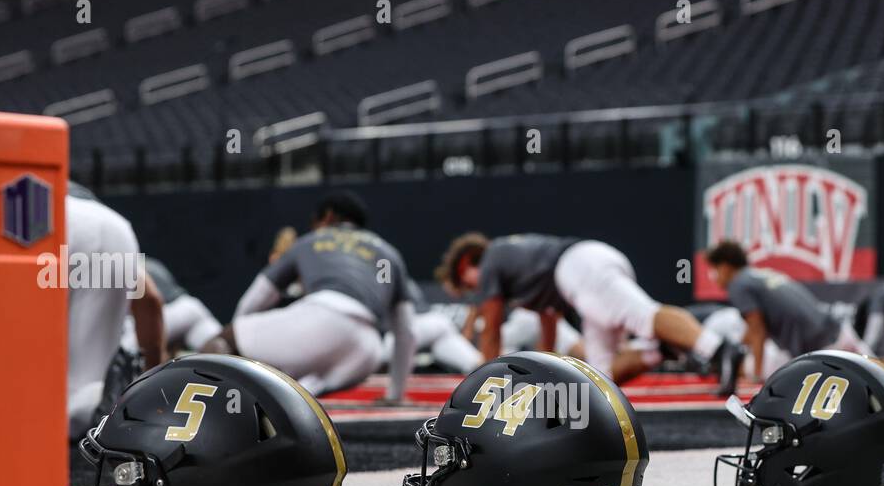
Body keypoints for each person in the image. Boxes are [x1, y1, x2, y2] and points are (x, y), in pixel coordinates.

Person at [436, 233, 739, 388]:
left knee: (644, 314)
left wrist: (485, 386)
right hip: (580, 269)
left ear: (465, 265)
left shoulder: (492, 260)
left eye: (467, 286)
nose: (473, 293)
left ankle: (718, 348)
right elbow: (549, 321)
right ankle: (659, 349)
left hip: (579, 267)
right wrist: (546, 374)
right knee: (601, 378)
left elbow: (490, 331)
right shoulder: (517, 261)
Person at [203, 191, 414, 400]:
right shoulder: (389, 254)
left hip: (321, 322)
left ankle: (188, 403)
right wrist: (395, 395)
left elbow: (255, 299)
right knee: (300, 388)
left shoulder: (311, 240)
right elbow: (406, 332)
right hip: (368, 350)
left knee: (225, 340)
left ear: (328, 216)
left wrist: (238, 343)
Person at [66, 185, 166, 439]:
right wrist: (155, 389)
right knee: (85, 390)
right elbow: (150, 299)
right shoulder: (97, 212)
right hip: (114, 227)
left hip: (44, 213)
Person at [704, 241, 869, 385]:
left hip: (822, 351)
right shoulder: (760, 274)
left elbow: (758, 330)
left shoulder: (738, 285)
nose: (713, 277)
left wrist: (756, 375)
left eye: (714, 269)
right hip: (840, 333)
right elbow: (756, 329)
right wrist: (741, 343)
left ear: (725, 267)